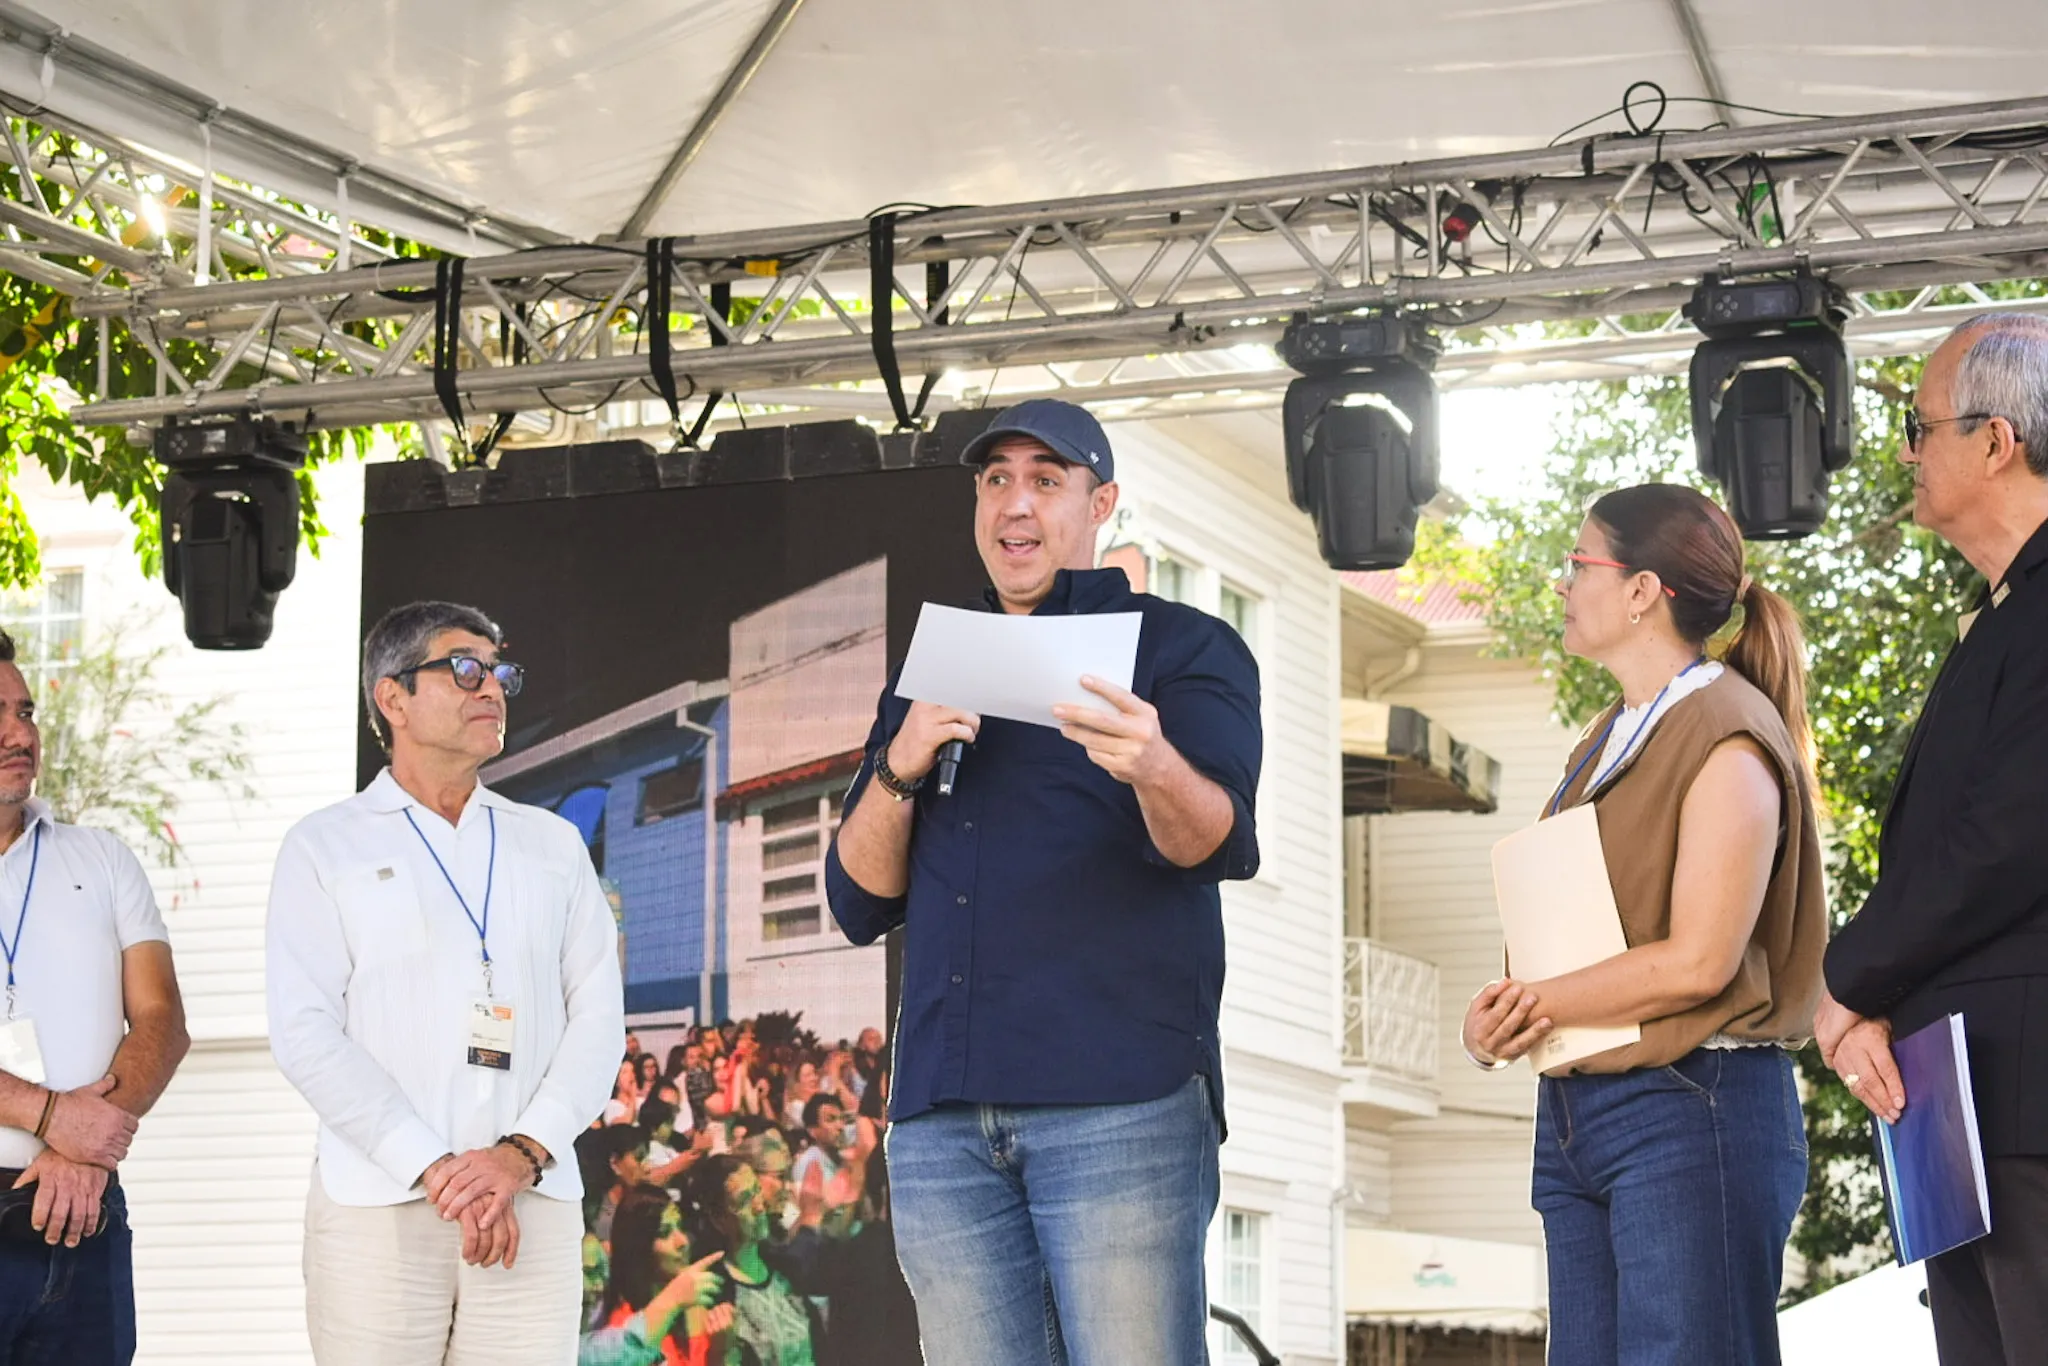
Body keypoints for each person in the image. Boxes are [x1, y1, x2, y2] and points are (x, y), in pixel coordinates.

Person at [825, 397, 1262, 1364]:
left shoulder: (1185, 647)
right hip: (945, 1122)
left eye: (1046, 480)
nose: (1015, 502)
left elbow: (1219, 844)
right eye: (996, 480)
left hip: (1119, 1105)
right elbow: (856, 898)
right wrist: (901, 763)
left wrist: (1154, 763)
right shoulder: (935, 667)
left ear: (1100, 503)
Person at [1459, 485, 1825, 1366]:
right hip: (1582, 1111)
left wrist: (1537, 1001)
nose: (1561, 585)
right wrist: (1501, 1018)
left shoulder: (1728, 731)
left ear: (1641, 591)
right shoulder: (1606, 736)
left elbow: (1701, 961)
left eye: (1577, 564)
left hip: (1692, 1108)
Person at [267, 601, 625, 1364]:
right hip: (379, 1206)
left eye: (499, 673)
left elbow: (599, 1023)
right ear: (391, 698)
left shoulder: (553, 845)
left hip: (530, 1201)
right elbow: (303, 1032)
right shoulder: (324, 846)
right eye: (465, 669)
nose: (491, 687)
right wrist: (434, 1169)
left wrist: (517, 1155)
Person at [1817, 312, 2048, 1364]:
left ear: (1995, 441)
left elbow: (2007, 837)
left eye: (1919, 427)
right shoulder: (2002, 611)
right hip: (1964, 1107)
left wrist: (1850, 978)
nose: (1906, 453)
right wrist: (1876, 1002)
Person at [0, 627, 190, 1363]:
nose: (20, 734)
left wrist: (87, 1148)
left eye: (25, 712)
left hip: (87, 1210)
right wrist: (55, 1117)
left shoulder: (102, 858)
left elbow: (162, 1020)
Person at [683, 1154, 818, 1366]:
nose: (759, 1206)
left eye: (756, 1190)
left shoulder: (784, 1267)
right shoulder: (715, 1292)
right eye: (744, 1200)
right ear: (719, 1219)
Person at [586, 1184, 733, 1366]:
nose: (683, 1241)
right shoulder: (625, 1329)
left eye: (680, 1226)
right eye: (664, 1233)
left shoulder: (694, 1305)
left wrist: (721, 1348)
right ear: (639, 1248)